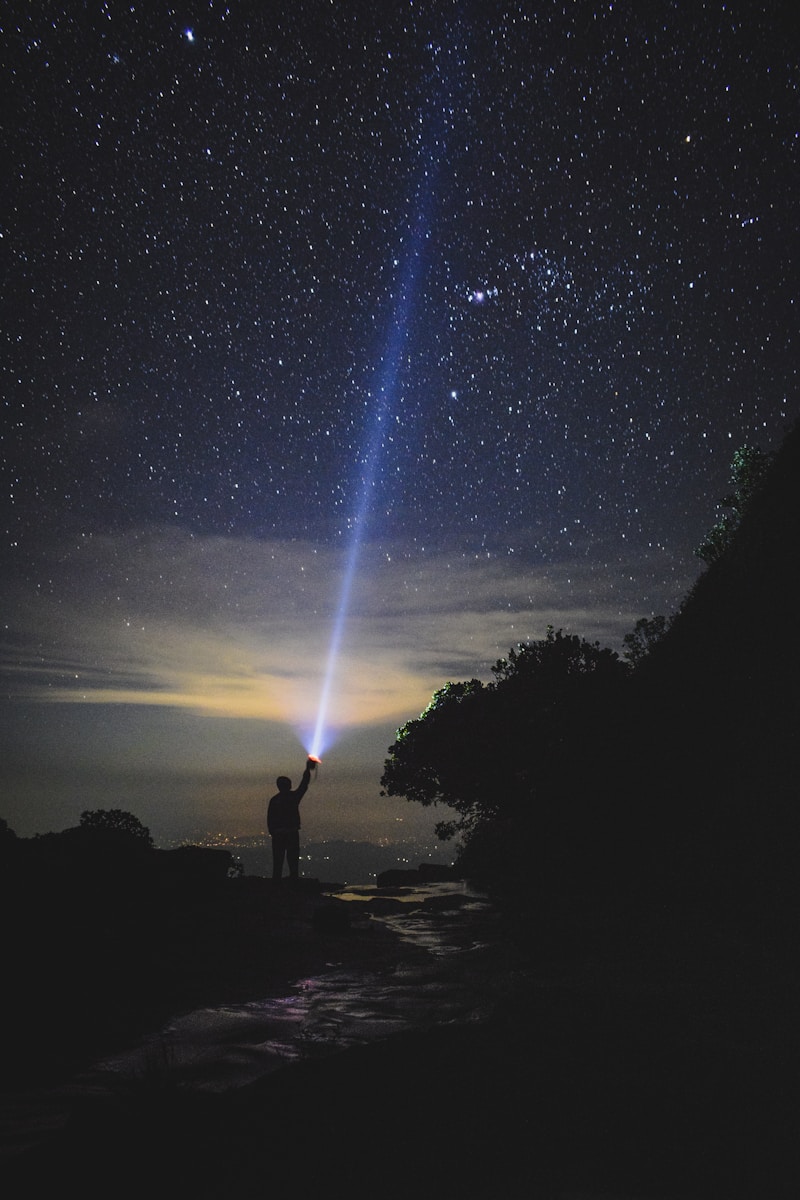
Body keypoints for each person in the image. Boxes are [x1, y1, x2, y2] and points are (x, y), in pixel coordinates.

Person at [267, 757, 316, 882]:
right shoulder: (292, 797)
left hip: (279, 834)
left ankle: (277, 882)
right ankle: (292, 881)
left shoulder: (274, 800)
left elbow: (270, 819)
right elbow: (304, 785)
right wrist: (307, 770)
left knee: (278, 861)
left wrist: (274, 832)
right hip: (290, 833)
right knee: (292, 859)